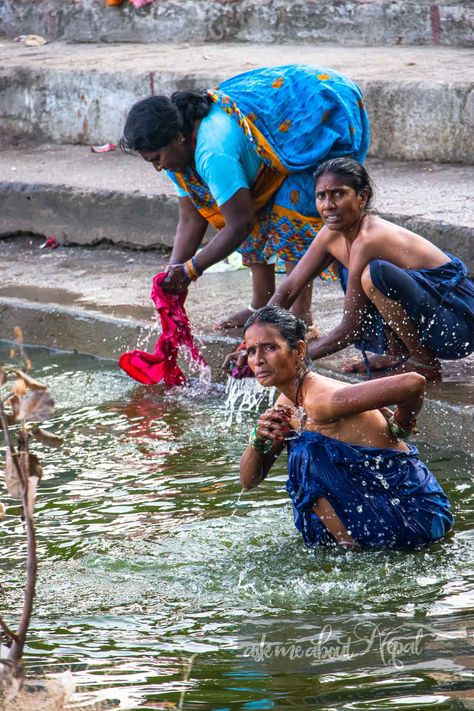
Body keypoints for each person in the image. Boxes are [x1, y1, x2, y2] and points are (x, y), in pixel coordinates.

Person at [121, 65, 370, 331]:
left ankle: (300, 319)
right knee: (245, 202)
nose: (158, 167)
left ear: (178, 138)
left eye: (157, 159)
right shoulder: (176, 155)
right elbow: (191, 218)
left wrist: (192, 269)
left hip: (318, 110)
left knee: (291, 209)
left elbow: (240, 223)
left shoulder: (212, 152)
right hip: (275, 122)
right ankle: (261, 302)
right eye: (151, 162)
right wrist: (172, 271)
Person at [227, 158, 474, 378]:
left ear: (362, 197)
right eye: (321, 196)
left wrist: (288, 359)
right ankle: (396, 353)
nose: (328, 205)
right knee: (364, 275)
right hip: (431, 318)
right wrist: (249, 347)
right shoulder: (331, 233)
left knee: (373, 276)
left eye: (338, 194)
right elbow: (289, 289)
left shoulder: (370, 238)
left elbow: (351, 328)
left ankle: (424, 363)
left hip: (456, 324)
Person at [240, 306, 453, 550]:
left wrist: (401, 424)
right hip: (383, 511)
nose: (258, 360)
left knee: (307, 454)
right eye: (251, 351)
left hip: (417, 514)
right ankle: (346, 548)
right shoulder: (288, 404)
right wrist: (258, 439)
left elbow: (414, 383)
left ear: (298, 350)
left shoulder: (321, 401)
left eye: (270, 348)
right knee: (305, 448)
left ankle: (350, 552)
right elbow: (249, 481)